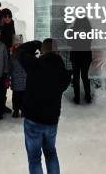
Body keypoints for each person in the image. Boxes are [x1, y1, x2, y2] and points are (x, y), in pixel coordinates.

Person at [18, 39, 72, 174]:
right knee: (51, 153)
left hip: (33, 120)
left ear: (42, 51)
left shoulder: (34, 64)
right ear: (58, 52)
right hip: (51, 121)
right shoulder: (62, 73)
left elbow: (19, 53)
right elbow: (67, 77)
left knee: (34, 158)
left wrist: (34, 44)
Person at [69, 17, 93, 104]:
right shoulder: (89, 30)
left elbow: (69, 43)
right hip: (86, 56)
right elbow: (90, 42)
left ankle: (77, 98)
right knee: (85, 76)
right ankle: (88, 97)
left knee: (76, 77)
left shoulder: (72, 30)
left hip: (76, 55)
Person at [10, 38, 27, 118]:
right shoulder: (12, 55)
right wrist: (7, 77)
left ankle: (23, 110)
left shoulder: (26, 54)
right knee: (16, 96)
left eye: (20, 44)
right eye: (17, 44)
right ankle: (16, 110)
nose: (18, 45)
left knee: (24, 97)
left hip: (24, 79)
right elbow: (9, 67)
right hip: (15, 79)